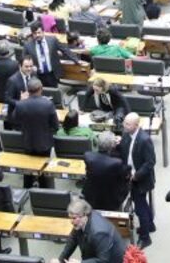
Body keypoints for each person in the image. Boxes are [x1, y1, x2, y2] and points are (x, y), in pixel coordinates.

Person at [12, 77, 58, 188]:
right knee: (43, 169)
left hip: (27, 142)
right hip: (44, 143)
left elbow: (14, 120)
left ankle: (27, 188)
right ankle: (44, 190)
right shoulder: (48, 104)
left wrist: (21, 100)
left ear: (28, 90)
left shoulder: (20, 104)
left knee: (28, 168)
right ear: (41, 89)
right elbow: (55, 126)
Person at [119, 112, 156, 248]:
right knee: (142, 204)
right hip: (130, 175)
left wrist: (136, 176)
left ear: (136, 125)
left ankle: (145, 238)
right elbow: (124, 149)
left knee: (140, 209)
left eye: (128, 124)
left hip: (141, 180)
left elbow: (150, 162)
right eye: (125, 123)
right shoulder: (126, 134)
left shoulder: (145, 140)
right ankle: (150, 225)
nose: (124, 125)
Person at [51, 198, 126, 263]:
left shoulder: (99, 233)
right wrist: (60, 260)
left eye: (74, 218)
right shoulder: (80, 222)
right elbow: (73, 239)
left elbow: (103, 260)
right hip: (93, 253)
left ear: (85, 215)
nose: (71, 221)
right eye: (70, 218)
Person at [24, 21, 75, 88]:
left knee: (54, 93)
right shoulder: (28, 45)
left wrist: (76, 60)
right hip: (38, 76)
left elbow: (65, 50)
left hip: (52, 74)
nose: (37, 35)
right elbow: (24, 59)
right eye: (35, 33)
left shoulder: (52, 40)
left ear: (43, 31)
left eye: (39, 32)